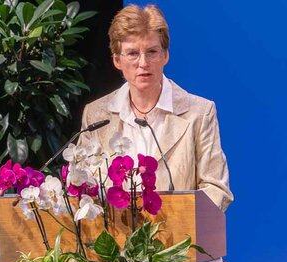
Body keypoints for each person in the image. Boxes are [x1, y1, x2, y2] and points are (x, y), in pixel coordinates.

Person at [79, 4, 234, 211]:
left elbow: (216, 189)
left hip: (178, 230)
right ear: (117, 60)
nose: (143, 63)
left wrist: (180, 223)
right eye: (132, 53)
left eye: (151, 52)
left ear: (165, 55)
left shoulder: (199, 113)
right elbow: (82, 185)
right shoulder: (96, 115)